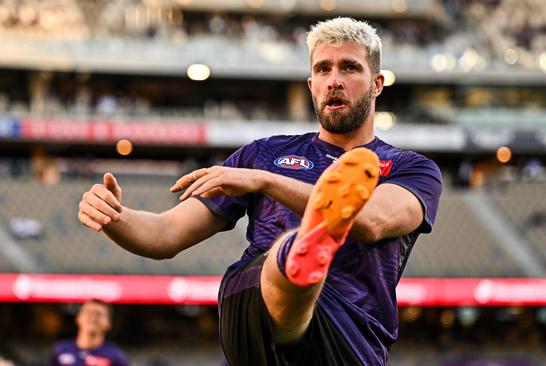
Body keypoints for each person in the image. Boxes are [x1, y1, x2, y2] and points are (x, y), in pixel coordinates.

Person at [77, 17, 442, 365]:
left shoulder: (412, 169)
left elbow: (373, 221)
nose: (334, 80)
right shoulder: (265, 154)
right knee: (279, 259)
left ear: (377, 83)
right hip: (253, 311)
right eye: (322, 69)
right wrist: (114, 217)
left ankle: (302, 253)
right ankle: (300, 255)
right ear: (311, 85)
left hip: (349, 337)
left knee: (293, 254)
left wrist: (266, 181)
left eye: (349, 67)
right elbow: (164, 234)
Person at [49, 299, 128, 366]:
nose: (93, 318)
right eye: (88, 313)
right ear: (78, 318)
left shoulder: (115, 356)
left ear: (108, 323)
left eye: (98, 314)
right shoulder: (60, 349)